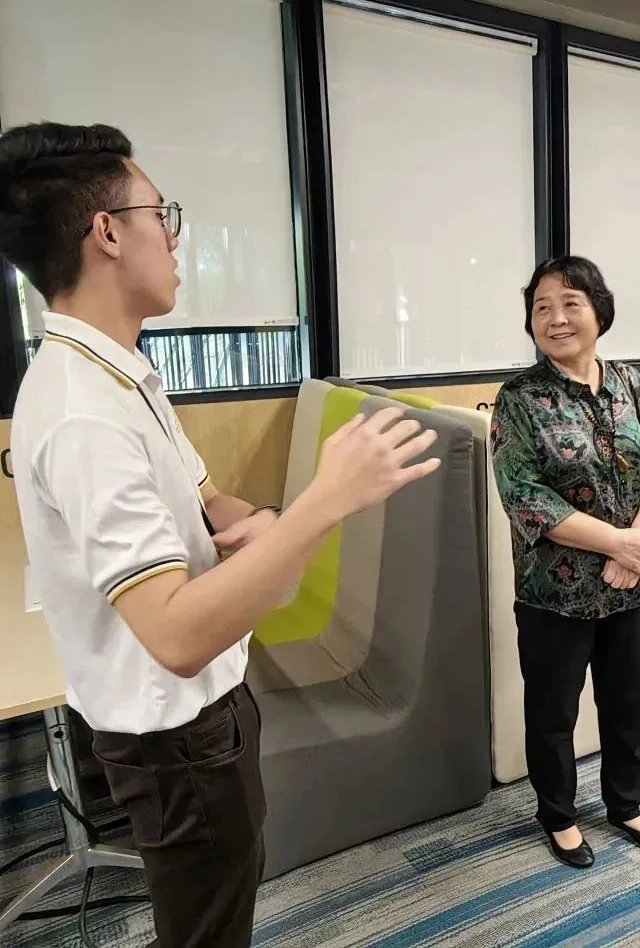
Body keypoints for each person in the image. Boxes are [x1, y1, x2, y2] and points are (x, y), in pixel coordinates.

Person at [0, 122, 440, 947]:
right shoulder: (83, 412)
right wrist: (322, 503)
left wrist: (265, 522)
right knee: (208, 927)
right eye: (160, 214)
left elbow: (207, 499)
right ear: (107, 233)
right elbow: (173, 635)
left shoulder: (120, 373)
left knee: (224, 898)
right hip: (175, 742)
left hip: (206, 719)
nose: (173, 238)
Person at [491, 255, 640, 870]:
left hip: (631, 587)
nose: (556, 318)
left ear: (599, 312)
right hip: (555, 595)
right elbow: (525, 496)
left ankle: (626, 805)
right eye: (541, 307)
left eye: (570, 303)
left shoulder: (629, 383)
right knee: (553, 715)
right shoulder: (519, 399)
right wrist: (616, 544)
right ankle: (558, 816)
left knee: (628, 707)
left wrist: (639, 542)